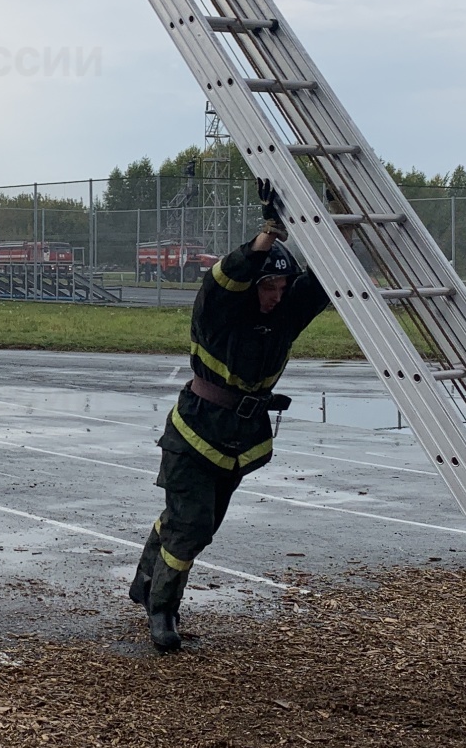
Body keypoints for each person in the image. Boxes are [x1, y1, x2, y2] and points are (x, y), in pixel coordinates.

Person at [129, 180, 331, 651]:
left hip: (241, 439)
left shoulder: (283, 314)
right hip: (194, 433)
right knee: (192, 525)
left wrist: (336, 218)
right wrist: (267, 236)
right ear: (252, 287)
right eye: (269, 287)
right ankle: (162, 610)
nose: (278, 295)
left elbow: (321, 281)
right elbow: (222, 278)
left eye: (283, 286)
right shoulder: (217, 312)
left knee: (193, 521)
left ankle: (143, 580)